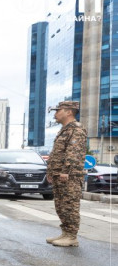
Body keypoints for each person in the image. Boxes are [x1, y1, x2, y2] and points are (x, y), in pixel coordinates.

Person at [45, 101, 88, 247]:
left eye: (58, 111)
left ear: (69, 112)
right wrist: (51, 172)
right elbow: (57, 154)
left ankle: (71, 236)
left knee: (70, 205)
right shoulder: (64, 129)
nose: (55, 114)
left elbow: (73, 153)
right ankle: (65, 232)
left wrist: (66, 172)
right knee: (61, 205)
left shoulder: (76, 129)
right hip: (59, 174)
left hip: (69, 176)